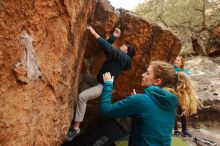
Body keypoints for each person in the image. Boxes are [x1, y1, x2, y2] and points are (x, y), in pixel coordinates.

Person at [65, 26, 136, 141]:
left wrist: (94, 34)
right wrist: (114, 36)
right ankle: (78, 109)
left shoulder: (125, 58)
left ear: (126, 50)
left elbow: (110, 48)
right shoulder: (117, 57)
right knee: (84, 77)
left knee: (82, 97)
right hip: (98, 80)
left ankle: (75, 128)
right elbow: (107, 48)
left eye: (125, 45)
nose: (122, 45)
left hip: (103, 86)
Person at [100, 61, 178, 146]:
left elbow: (106, 110)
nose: (143, 75)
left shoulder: (140, 100)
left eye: (147, 73)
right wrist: (138, 102)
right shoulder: (170, 104)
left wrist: (108, 84)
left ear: (157, 81)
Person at [172, 56, 197, 137]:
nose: (176, 61)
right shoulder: (171, 69)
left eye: (178, 60)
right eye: (175, 59)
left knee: (183, 110)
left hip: (182, 93)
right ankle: (176, 130)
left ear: (181, 63)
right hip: (173, 92)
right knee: (174, 110)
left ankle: (184, 129)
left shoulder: (185, 71)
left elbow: (187, 81)